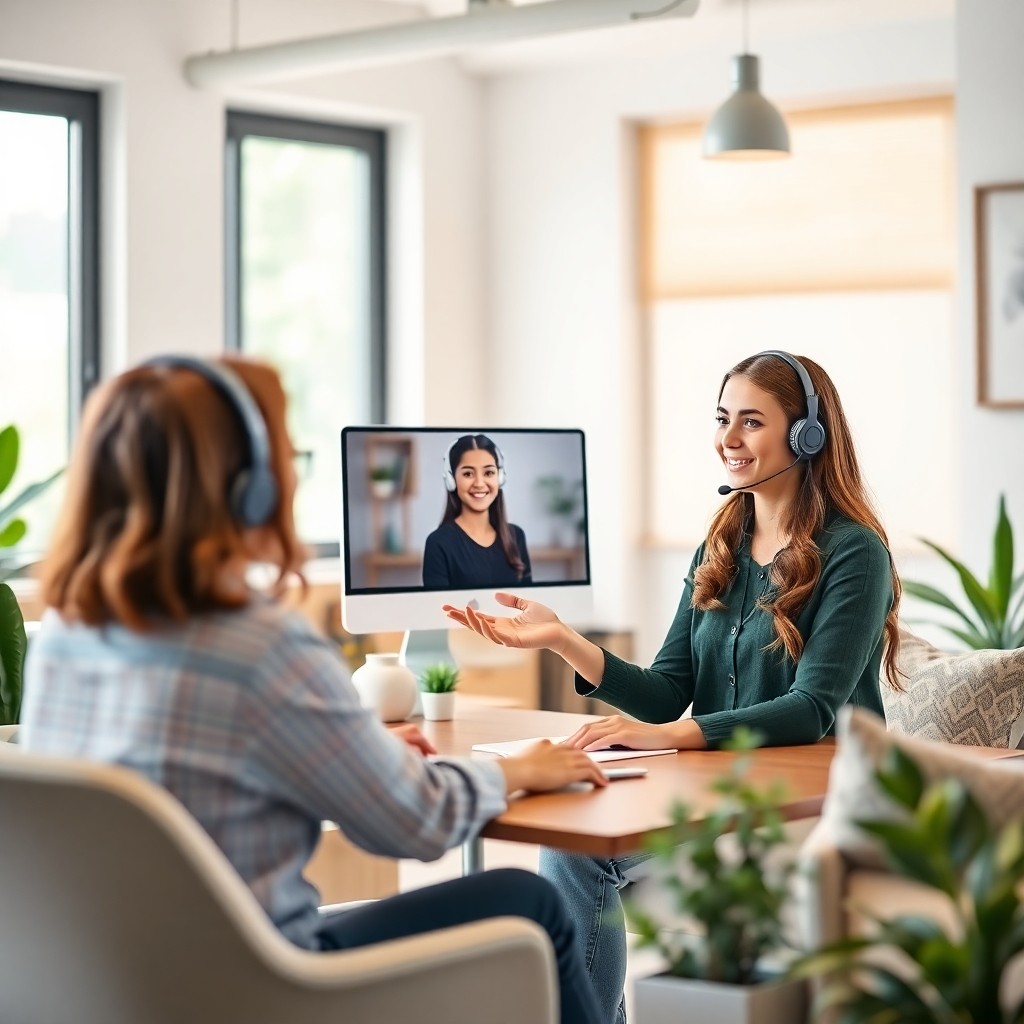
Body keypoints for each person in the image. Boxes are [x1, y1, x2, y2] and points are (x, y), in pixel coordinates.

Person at [19, 356, 606, 1024]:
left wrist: (367, 756)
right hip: (260, 990)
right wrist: (518, 770)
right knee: (531, 904)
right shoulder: (260, 647)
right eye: (287, 452)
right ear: (250, 488)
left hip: (106, 991)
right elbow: (413, 825)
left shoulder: (64, 635)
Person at [446, 351, 902, 1024]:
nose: (728, 439)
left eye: (751, 422)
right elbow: (667, 689)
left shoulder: (855, 552)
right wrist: (561, 638)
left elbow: (811, 709)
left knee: (580, 856)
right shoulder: (721, 542)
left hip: (812, 801)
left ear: (807, 435)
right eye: (723, 419)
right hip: (719, 790)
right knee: (573, 843)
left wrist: (669, 736)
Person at [423, 433, 532, 589]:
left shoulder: (516, 536)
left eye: (489, 473)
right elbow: (438, 609)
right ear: (452, 480)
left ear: (500, 478)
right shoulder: (438, 543)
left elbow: (529, 603)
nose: (479, 483)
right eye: (468, 474)